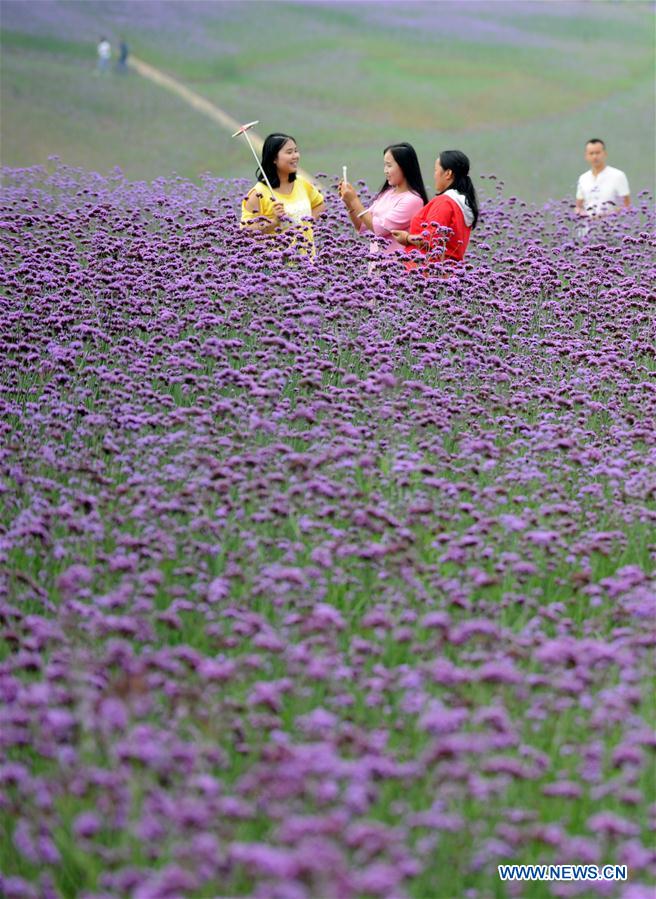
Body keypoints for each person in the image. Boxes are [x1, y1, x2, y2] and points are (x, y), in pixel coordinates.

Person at [338, 143, 428, 265]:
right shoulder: (387, 193)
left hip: (395, 269)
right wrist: (349, 203)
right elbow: (361, 225)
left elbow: (379, 229)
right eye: (385, 165)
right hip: (377, 268)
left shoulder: (413, 200)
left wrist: (354, 200)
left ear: (404, 166)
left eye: (389, 165)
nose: (385, 171)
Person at [391, 150, 478, 269]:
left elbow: (430, 239)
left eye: (436, 170)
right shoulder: (462, 204)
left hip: (428, 270)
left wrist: (406, 238)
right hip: (448, 270)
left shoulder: (445, 202)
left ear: (448, 174)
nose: (434, 175)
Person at [240, 133, 325, 255]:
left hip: (308, 261)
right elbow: (245, 232)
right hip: (275, 263)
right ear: (274, 159)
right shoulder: (257, 193)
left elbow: (319, 205)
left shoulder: (302, 183)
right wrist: (274, 221)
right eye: (289, 152)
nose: (295, 156)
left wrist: (305, 225)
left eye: (296, 151)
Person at [575, 139, 630, 218]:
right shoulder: (583, 178)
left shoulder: (618, 175)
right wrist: (581, 213)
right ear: (586, 156)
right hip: (588, 224)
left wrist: (607, 216)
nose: (595, 156)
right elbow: (578, 206)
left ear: (605, 154)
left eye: (598, 153)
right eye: (591, 153)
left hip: (612, 224)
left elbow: (627, 206)